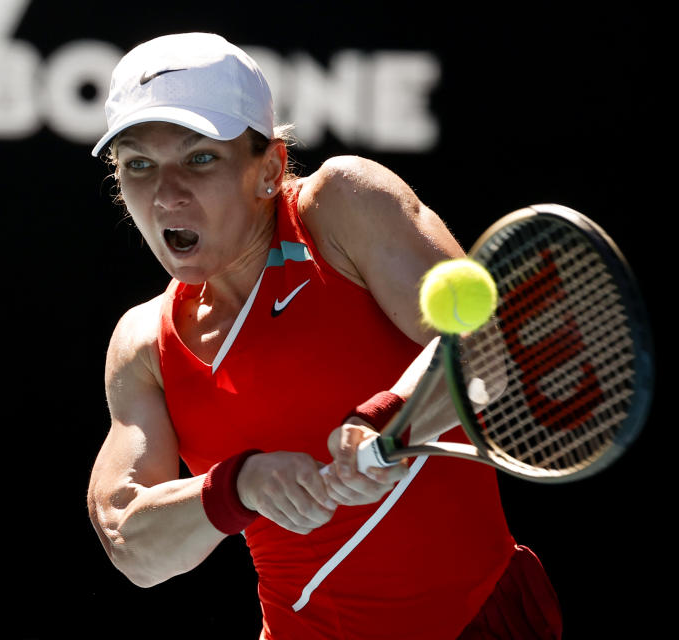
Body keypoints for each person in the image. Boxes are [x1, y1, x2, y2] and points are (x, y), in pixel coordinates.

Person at [86, 32, 562, 639]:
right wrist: (237, 486)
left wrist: (391, 418)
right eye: (138, 165)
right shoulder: (143, 345)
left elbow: (485, 345)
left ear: (270, 169)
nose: (166, 194)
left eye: (200, 157)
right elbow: (132, 545)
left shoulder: (340, 206)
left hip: (475, 622)